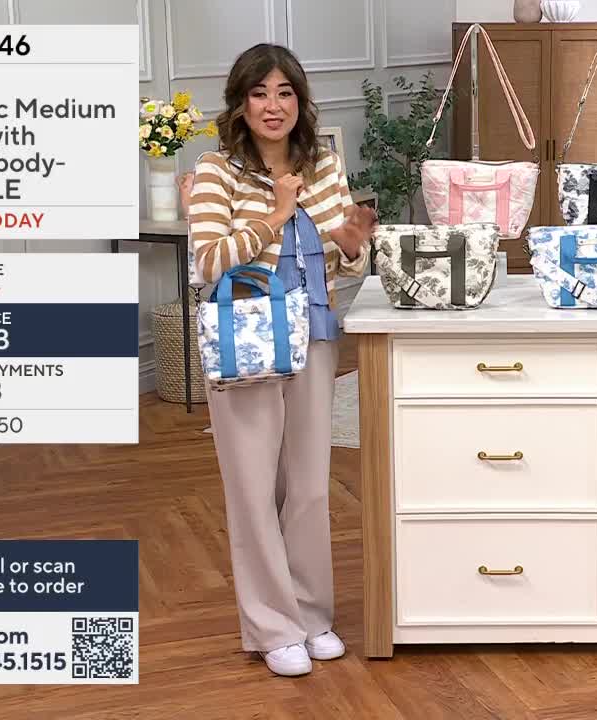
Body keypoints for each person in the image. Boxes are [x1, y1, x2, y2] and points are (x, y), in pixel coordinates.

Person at [178, 43, 376, 677]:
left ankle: (313, 615)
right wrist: (275, 218)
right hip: (249, 339)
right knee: (253, 487)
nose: (273, 105)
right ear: (241, 103)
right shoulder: (216, 172)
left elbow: (347, 262)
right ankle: (273, 625)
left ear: (300, 101)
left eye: (285, 92)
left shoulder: (323, 165)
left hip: (316, 333)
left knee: (311, 486)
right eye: (260, 93)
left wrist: (350, 245)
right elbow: (207, 261)